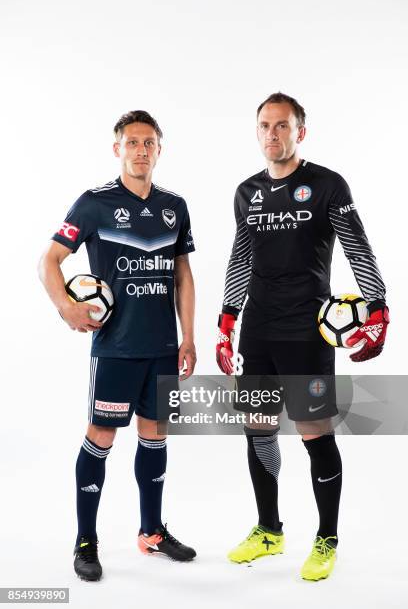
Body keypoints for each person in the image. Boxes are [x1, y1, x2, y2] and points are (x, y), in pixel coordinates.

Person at [216, 92, 389, 581]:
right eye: (265, 126)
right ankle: (269, 530)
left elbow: (359, 249)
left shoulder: (327, 185)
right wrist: (227, 323)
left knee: (315, 434)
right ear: (257, 133)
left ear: (300, 132)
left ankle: (327, 538)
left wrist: (379, 312)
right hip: (259, 327)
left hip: (309, 329)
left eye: (283, 126)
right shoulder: (247, 192)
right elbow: (240, 259)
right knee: (258, 428)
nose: (273, 135)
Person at [38, 110, 197, 581]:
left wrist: (188, 336)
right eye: (132, 142)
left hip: (163, 347)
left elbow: (183, 276)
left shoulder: (175, 206)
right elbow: (49, 260)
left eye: (149, 142)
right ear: (118, 149)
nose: (141, 150)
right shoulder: (94, 203)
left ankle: (151, 531)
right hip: (115, 348)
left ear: (159, 150)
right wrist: (65, 306)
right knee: (102, 436)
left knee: (155, 435)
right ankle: (85, 541)